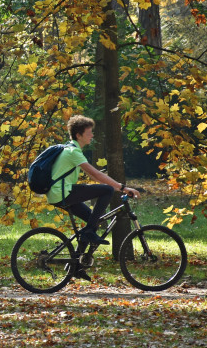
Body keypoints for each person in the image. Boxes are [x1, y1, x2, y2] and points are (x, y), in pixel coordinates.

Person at [48, 115, 140, 279]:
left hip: (61, 193)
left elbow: (95, 176)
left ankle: (75, 266)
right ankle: (89, 232)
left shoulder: (71, 149)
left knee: (94, 220)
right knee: (106, 191)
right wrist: (123, 188)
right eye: (89, 133)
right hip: (62, 192)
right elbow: (96, 174)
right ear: (78, 135)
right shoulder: (73, 151)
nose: (92, 136)